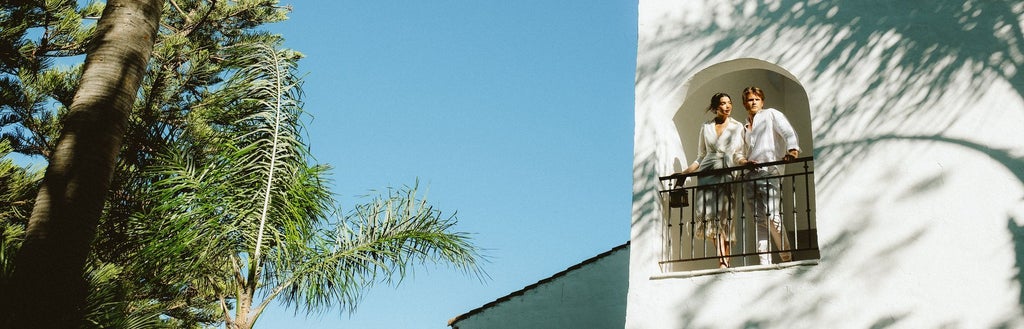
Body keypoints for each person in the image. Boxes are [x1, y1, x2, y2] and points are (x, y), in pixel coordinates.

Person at [679, 92, 746, 268]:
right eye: (723, 103)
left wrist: (745, 162)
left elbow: (738, 153)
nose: (728, 106)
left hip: (726, 171)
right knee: (709, 218)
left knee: (723, 219)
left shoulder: (737, 126)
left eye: (730, 103)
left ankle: (724, 261)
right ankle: (723, 260)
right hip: (706, 173)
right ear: (716, 107)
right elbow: (700, 156)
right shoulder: (706, 127)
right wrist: (685, 172)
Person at [740, 86, 799, 265]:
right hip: (750, 175)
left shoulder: (771, 114)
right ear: (745, 103)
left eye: (757, 99)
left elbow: (788, 132)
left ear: (762, 101)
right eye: (750, 100)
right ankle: (764, 262)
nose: (753, 102)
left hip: (769, 170)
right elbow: (742, 151)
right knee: (759, 220)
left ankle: (786, 256)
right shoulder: (743, 126)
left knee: (772, 215)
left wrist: (793, 149)